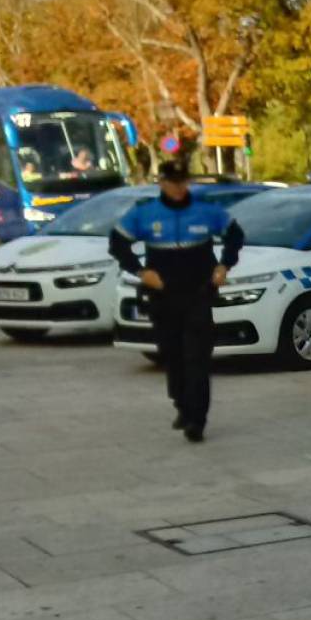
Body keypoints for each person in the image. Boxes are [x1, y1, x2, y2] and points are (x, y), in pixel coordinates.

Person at [109, 159, 244, 442]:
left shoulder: (206, 211)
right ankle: (182, 404)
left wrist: (224, 265)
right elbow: (117, 243)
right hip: (164, 293)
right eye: (173, 183)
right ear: (162, 183)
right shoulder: (145, 214)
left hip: (198, 291)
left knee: (197, 357)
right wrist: (141, 271)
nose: (179, 188)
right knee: (173, 355)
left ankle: (197, 419)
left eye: (184, 182)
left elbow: (235, 235)